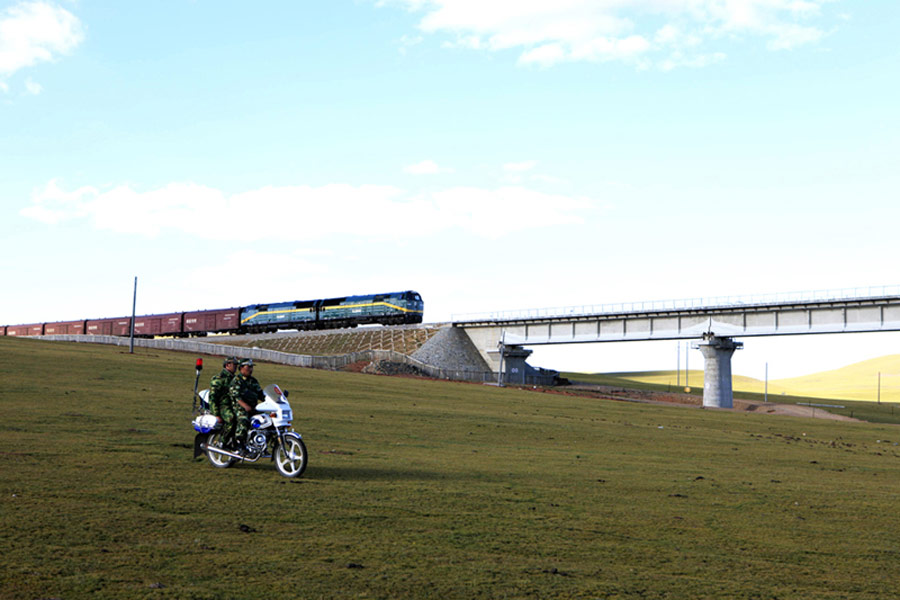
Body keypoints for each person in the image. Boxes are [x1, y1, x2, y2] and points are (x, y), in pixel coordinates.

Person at [228, 358, 265, 449]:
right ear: (241, 368)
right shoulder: (237, 380)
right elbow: (235, 396)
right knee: (243, 418)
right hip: (239, 407)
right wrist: (245, 406)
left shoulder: (253, 381)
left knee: (265, 418)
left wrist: (274, 399)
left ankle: (261, 442)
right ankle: (239, 443)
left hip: (253, 407)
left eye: (251, 367)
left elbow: (261, 394)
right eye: (248, 367)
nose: (251, 369)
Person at [209, 356, 238, 443]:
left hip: (235, 405)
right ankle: (222, 441)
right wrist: (216, 414)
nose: (236, 367)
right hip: (223, 406)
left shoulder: (236, 379)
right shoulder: (219, 378)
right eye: (234, 364)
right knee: (231, 419)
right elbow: (213, 398)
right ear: (227, 365)